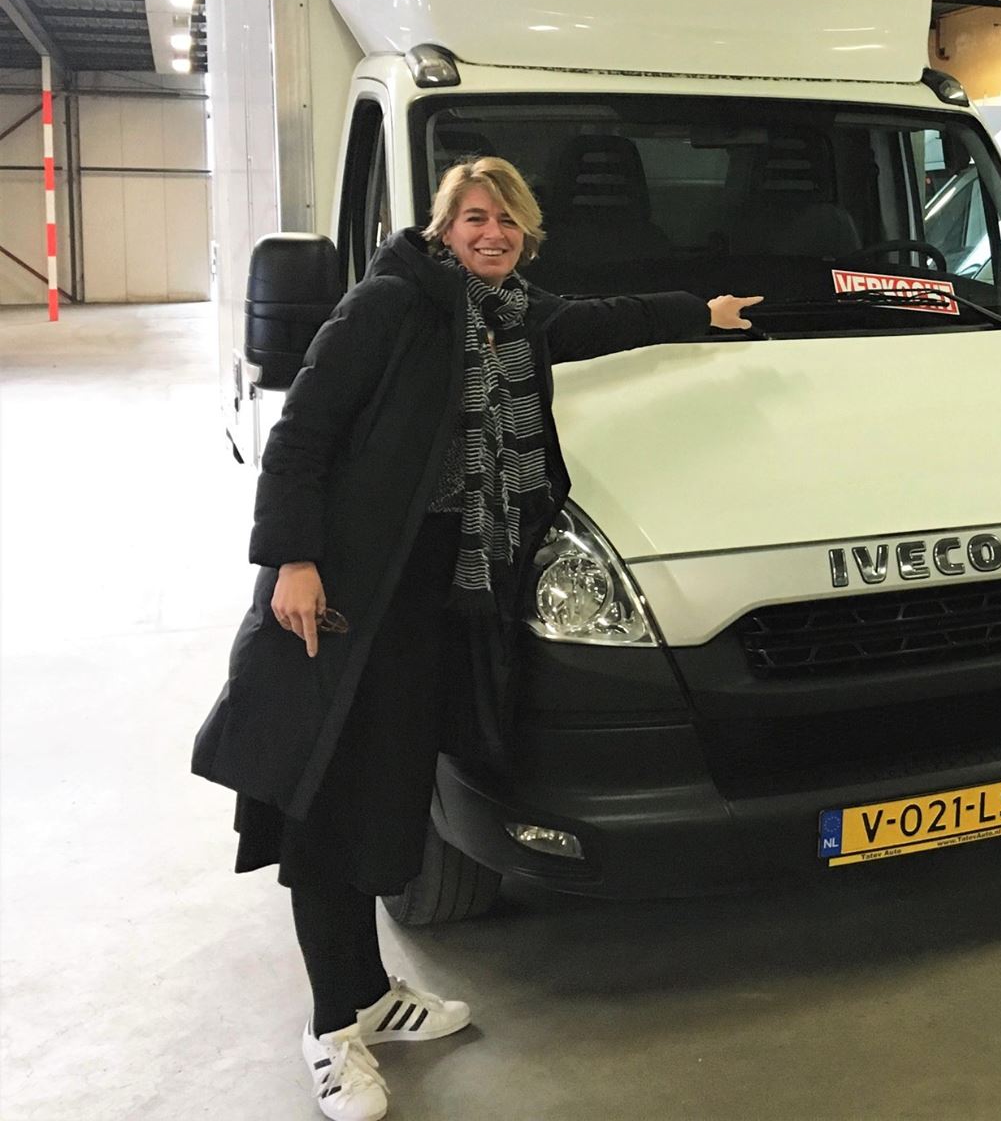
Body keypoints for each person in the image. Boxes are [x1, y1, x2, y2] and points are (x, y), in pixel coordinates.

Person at [192, 156, 761, 1121]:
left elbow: (601, 321)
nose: (491, 233)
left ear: (525, 237)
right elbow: (304, 432)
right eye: (474, 218)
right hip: (351, 594)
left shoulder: (517, 316)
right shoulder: (392, 305)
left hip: (440, 599)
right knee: (326, 802)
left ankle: (371, 995)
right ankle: (332, 1032)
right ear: (443, 228)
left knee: (387, 797)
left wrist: (699, 313)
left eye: (507, 221)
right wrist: (292, 558)